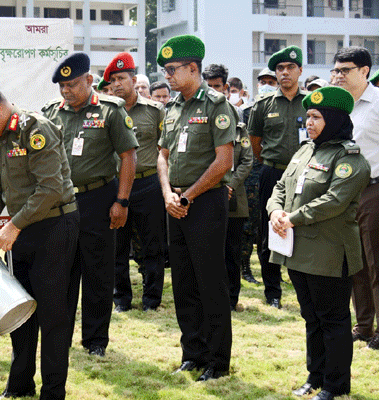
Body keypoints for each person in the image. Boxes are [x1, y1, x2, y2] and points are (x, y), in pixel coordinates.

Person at [0, 74, 79, 400]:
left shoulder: (34, 129)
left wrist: (13, 226)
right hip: (21, 233)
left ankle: (53, 393)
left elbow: (51, 189)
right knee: (20, 311)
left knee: (52, 316)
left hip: (55, 228)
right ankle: (20, 385)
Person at [267, 86, 370, 400]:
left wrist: (291, 218)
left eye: (316, 117)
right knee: (311, 317)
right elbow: (281, 186)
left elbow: (334, 201)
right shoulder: (305, 150)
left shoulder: (349, 157)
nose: (308, 122)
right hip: (297, 250)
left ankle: (335, 386)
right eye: (308, 116)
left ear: (335, 119)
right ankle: (315, 377)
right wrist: (274, 210)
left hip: (328, 252)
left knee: (333, 320)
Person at [42, 53, 137, 357]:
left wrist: (121, 201)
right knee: (62, 272)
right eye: (62, 87)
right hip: (62, 203)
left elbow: (128, 157)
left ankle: (95, 340)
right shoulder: (51, 114)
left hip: (99, 198)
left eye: (72, 84)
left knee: (98, 272)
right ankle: (62, 336)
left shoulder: (110, 111)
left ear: (89, 81)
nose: (66, 91)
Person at [156, 35, 234, 381]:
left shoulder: (216, 105)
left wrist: (187, 196)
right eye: (165, 70)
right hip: (175, 204)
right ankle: (193, 352)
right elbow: (162, 155)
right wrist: (168, 195)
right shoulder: (172, 108)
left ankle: (217, 362)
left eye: (173, 70)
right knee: (184, 281)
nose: (168, 76)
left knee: (210, 282)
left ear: (193, 68)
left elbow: (223, 161)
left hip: (205, 203)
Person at [103, 52, 166, 312]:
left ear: (133, 79)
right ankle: (121, 300)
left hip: (149, 184)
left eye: (122, 78)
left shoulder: (155, 111)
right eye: (113, 80)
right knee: (117, 247)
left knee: (154, 247)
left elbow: (166, 149)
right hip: (117, 186)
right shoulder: (105, 111)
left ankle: (151, 300)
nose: (117, 84)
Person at [247, 45, 308, 309]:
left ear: (300, 71)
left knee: (305, 228)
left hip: (307, 174)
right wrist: (271, 164)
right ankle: (272, 292)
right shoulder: (263, 105)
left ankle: (304, 284)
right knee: (269, 230)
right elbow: (255, 142)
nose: (285, 73)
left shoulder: (311, 103)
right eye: (280, 69)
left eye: (290, 68)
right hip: (272, 172)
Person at [331, 46, 379, 350]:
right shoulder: (337, 105)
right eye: (335, 70)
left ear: (364, 71)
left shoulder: (377, 104)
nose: (338, 76)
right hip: (343, 193)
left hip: (373, 189)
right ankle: (363, 325)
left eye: (344, 70)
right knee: (355, 263)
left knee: (376, 262)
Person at [239, 67, 279, 285]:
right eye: (262, 81)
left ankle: (277, 269)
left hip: (272, 171)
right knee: (249, 224)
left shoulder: (281, 108)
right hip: (251, 173)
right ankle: (245, 266)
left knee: (273, 224)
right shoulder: (246, 111)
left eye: (271, 82)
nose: (266, 85)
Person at [226, 114, 253, 311]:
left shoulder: (240, 130)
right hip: (204, 195)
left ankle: (231, 298)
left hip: (233, 197)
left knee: (232, 251)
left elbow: (247, 161)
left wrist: (229, 185)